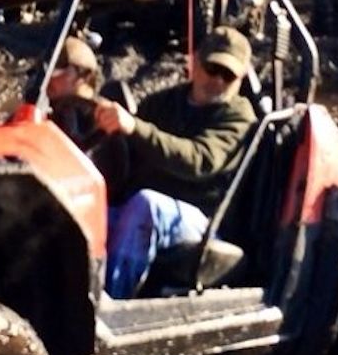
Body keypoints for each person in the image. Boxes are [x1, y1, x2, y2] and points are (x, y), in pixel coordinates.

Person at [93, 26, 257, 299]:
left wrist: (134, 127)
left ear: (240, 78)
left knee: (147, 206)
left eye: (228, 75)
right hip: (144, 209)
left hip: (203, 220)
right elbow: (128, 148)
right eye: (212, 68)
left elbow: (199, 160)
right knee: (82, 210)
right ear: (194, 61)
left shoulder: (238, 116)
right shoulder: (163, 103)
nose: (217, 80)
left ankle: (110, 306)